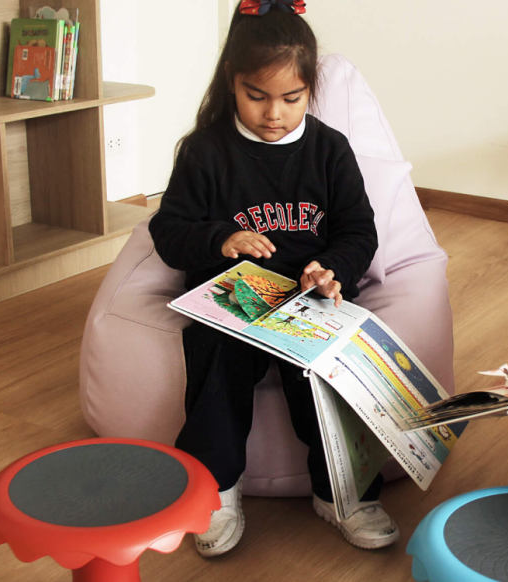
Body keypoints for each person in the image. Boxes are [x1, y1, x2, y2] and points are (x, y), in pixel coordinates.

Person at [148, 0, 394, 556]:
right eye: (256, 96)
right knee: (215, 359)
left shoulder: (330, 150)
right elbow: (169, 231)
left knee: (331, 365)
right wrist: (221, 239)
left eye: (291, 98)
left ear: (311, 90)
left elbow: (359, 230)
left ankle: (344, 493)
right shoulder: (205, 151)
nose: (274, 114)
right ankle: (215, 488)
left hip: (310, 294)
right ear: (231, 83)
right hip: (234, 294)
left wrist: (333, 269)